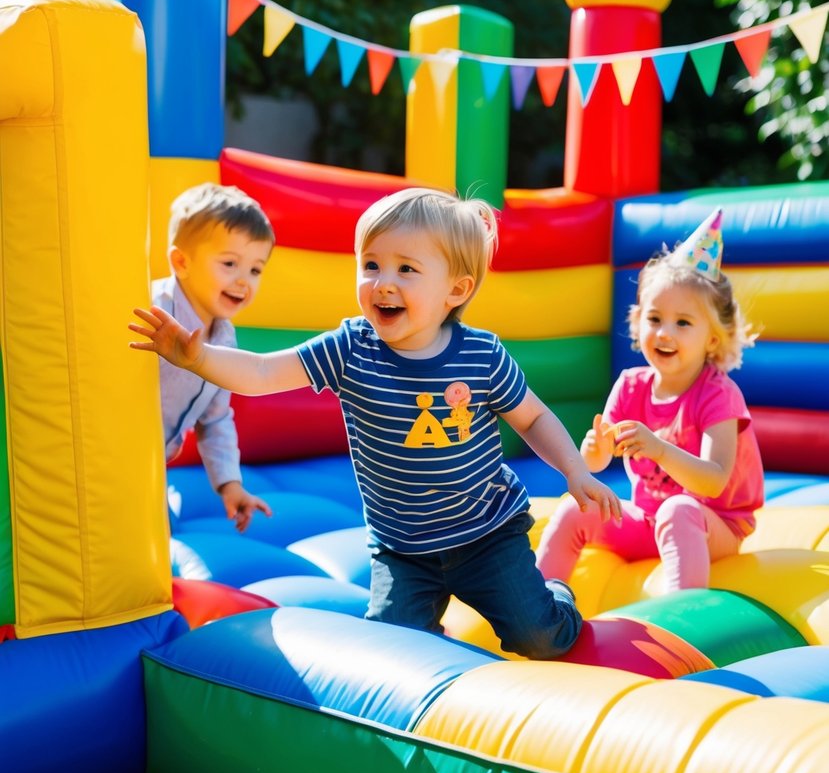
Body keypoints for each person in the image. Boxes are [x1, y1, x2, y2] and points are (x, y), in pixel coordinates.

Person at [131, 186, 621, 658]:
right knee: (393, 651)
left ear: (456, 288)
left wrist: (575, 471)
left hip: (485, 535)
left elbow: (532, 416)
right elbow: (262, 372)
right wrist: (196, 359)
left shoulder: (480, 355)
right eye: (371, 265)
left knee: (539, 638)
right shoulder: (351, 347)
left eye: (406, 269)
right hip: (402, 550)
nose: (383, 282)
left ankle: (555, 593)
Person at [536, 207, 764, 593]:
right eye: (655, 318)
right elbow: (595, 465)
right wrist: (592, 450)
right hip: (648, 518)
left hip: (715, 525)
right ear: (637, 320)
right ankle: (536, 603)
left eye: (683, 323)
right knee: (577, 505)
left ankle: (682, 621)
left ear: (712, 338)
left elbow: (712, 481)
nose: (664, 333)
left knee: (679, 510)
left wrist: (659, 449)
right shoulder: (630, 385)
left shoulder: (718, 395)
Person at [156, 182, 275, 533]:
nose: (244, 281)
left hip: (151, 466)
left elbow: (215, 419)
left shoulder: (224, 338)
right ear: (181, 262)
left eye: (255, 270)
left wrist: (230, 484)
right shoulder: (157, 312)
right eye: (229, 264)